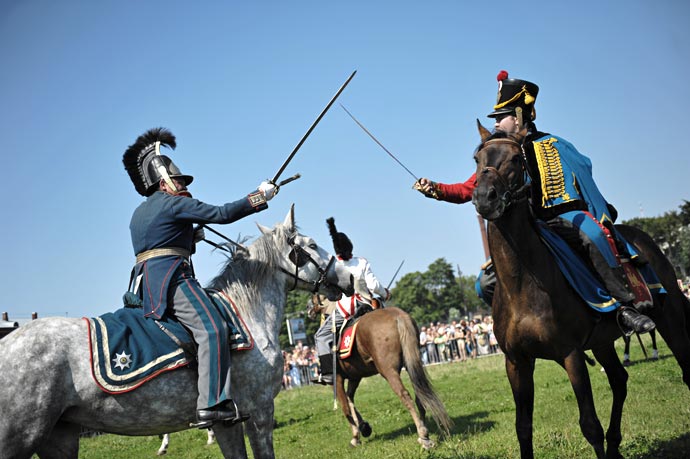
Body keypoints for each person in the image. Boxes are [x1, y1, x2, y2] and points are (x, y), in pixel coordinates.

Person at [416, 70, 655, 336]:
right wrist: (435, 189)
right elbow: (467, 189)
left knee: (593, 235)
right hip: (529, 225)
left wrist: (598, 212)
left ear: (518, 116)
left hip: (566, 217)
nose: (495, 123)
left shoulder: (554, 144)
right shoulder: (498, 151)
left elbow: (584, 170)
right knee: (483, 284)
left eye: (500, 117)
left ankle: (623, 307)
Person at [122, 127, 279, 425]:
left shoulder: (139, 214)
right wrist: (260, 196)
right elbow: (222, 213)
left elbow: (155, 244)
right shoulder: (173, 202)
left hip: (147, 286)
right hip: (173, 280)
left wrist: (188, 238)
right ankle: (213, 403)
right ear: (164, 180)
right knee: (213, 329)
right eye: (179, 179)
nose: (183, 184)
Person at [311, 217, 391, 385]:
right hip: (366, 305)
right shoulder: (362, 262)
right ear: (351, 246)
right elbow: (374, 285)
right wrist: (385, 293)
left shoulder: (333, 267)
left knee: (321, 336)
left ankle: (327, 373)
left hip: (345, 309)